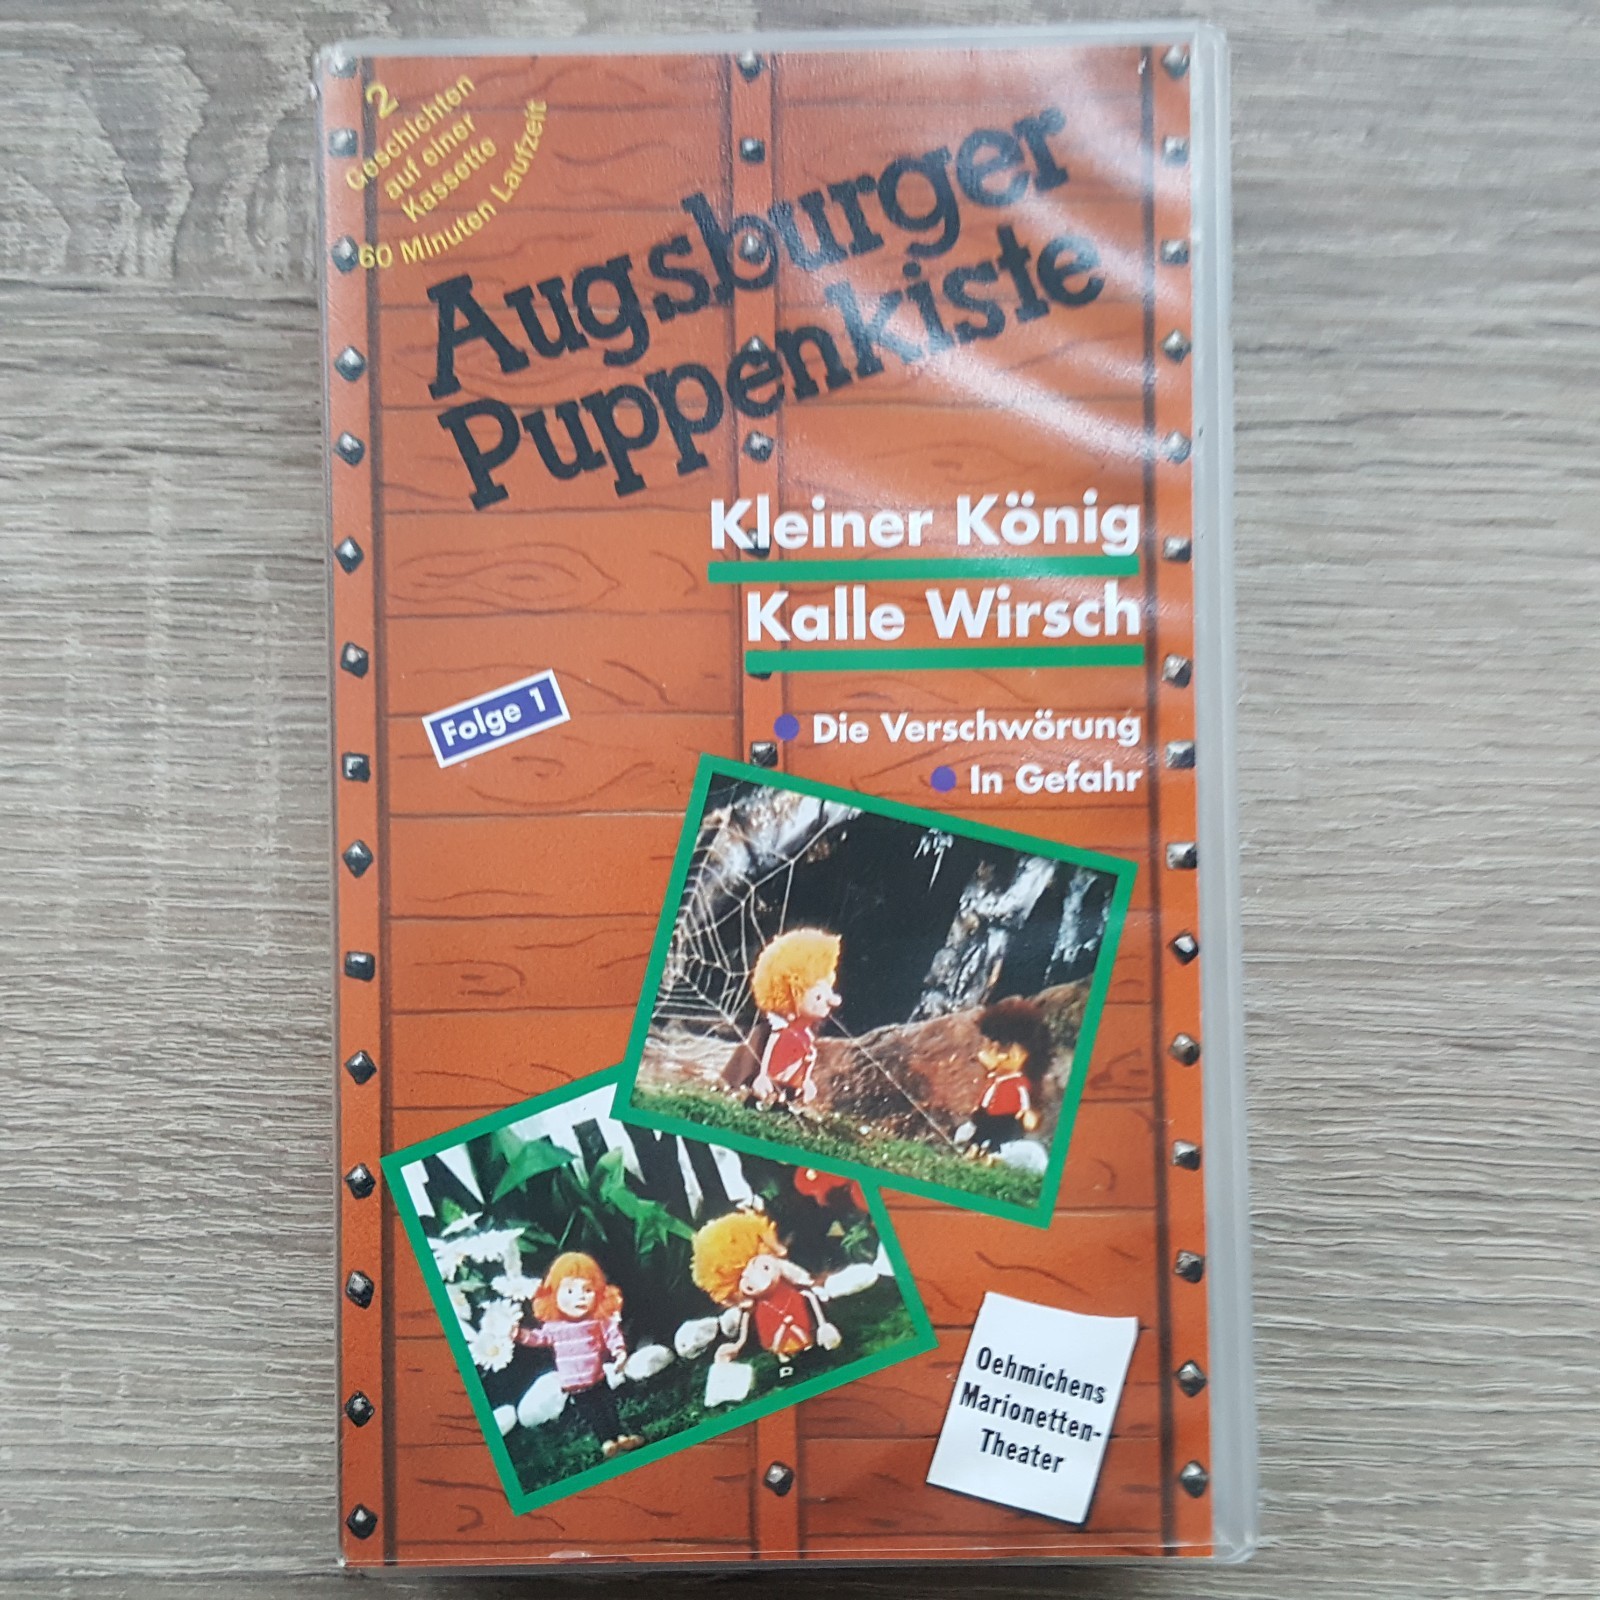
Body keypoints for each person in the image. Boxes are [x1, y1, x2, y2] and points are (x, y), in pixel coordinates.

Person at [513, 1252, 643, 1459]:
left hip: (597, 1376)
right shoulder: (555, 1326)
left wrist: (619, 1352)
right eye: (570, 1291)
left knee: (608, 1405)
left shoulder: (596, 1320)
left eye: (588, 1290)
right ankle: (606, 1440)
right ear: (553, 1294)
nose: (580, 1297)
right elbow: (539, 1338)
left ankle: (620, 1434)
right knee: (591, 1412)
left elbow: (612, 1334)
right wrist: (520, 1335)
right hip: (573, 1383)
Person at [691, 1210, 840, 1375]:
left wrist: (823, 1324)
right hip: (771, 1326)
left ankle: (811, 1350)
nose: (760, 1280)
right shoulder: (752, 1307)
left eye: (761, 1266)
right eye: (745, 1280)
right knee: (780, 1347)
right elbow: (744, 1330)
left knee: (806, 1335)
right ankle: (785, 1361)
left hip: (799, 1314)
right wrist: (738, 1345)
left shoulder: (788, 1280)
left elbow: (805, 1288)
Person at [723, 928, 842, 1113]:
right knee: (767, 1089)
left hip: (790, 1075)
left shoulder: (806, 1035)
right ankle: (755, 1101)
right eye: (818, 997)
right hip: (774, 1071)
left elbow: (807, 1058)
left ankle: (782, 1105)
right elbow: (768, 1052)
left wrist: (806, 1081)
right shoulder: (778, 1031)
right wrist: (762, 1075)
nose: (828, 1002)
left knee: (787, 1090)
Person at [959, 996, 1053, 1157]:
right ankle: (974, 1149)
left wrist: (1026, 1113)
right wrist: (979, 1108)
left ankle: (991, 1154)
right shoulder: (994, 1079)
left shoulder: (1018, 1083)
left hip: (1005, 1120)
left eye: (996, 1048)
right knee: (979, 1134)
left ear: (1017, 1055)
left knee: (997, 1140)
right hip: (986, 1116)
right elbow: (988, 1095)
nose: (984, 1053)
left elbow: (1024, 1102)